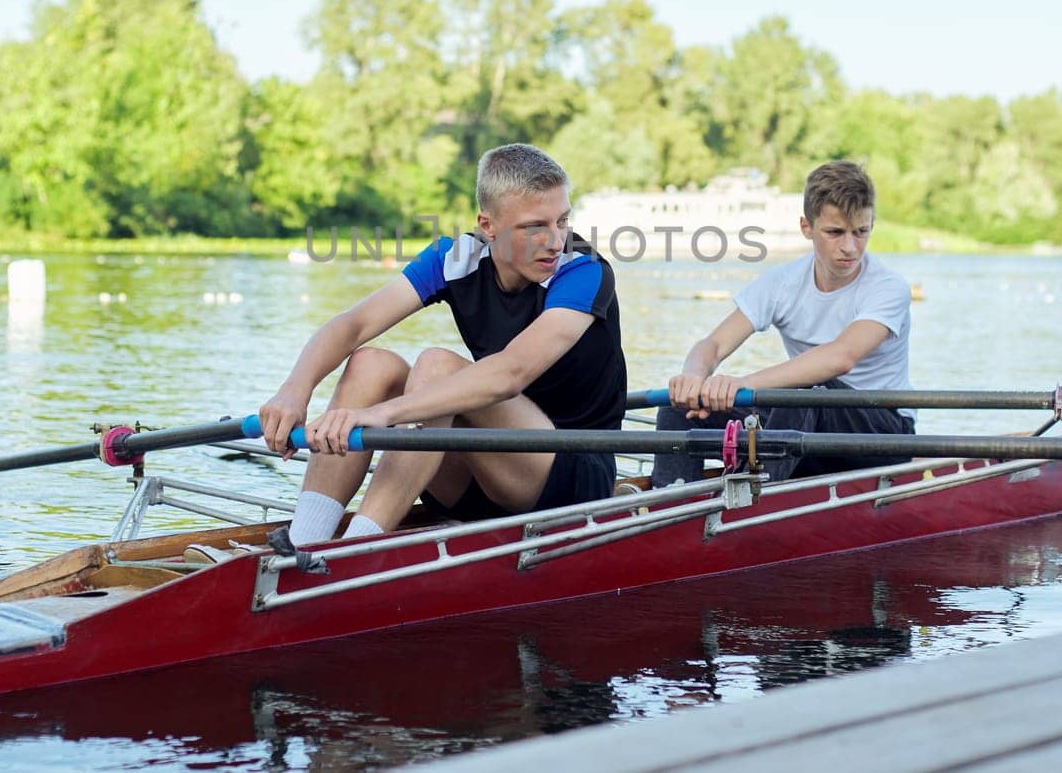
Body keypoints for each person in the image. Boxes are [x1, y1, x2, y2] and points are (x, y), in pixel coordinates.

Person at [257, 143, 627, 547]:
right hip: (477, 476)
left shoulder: (583, 270)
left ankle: (356, 553)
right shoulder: (455, 258)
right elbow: (355, 323)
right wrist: (294, 390)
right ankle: (304, 543)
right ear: (487, 226)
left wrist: (382, 414)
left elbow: (509, 374)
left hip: (570, 476)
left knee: (437, 365)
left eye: (562, 221)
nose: (555, 241)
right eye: (534, 226)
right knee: (370, 363)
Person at [652, 160, 914, 486]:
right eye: (835, 232)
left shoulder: (889, 287)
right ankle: (673, 508)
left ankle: (748, 507)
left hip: (882, 432)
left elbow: (840, 357)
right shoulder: (783, 282)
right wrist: (693, 378)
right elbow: (714, 344)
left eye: (862, 232)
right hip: (804, 421)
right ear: (806, 227)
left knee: (805, 392)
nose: (850, 247)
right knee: (679, 409)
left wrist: (740, 386)